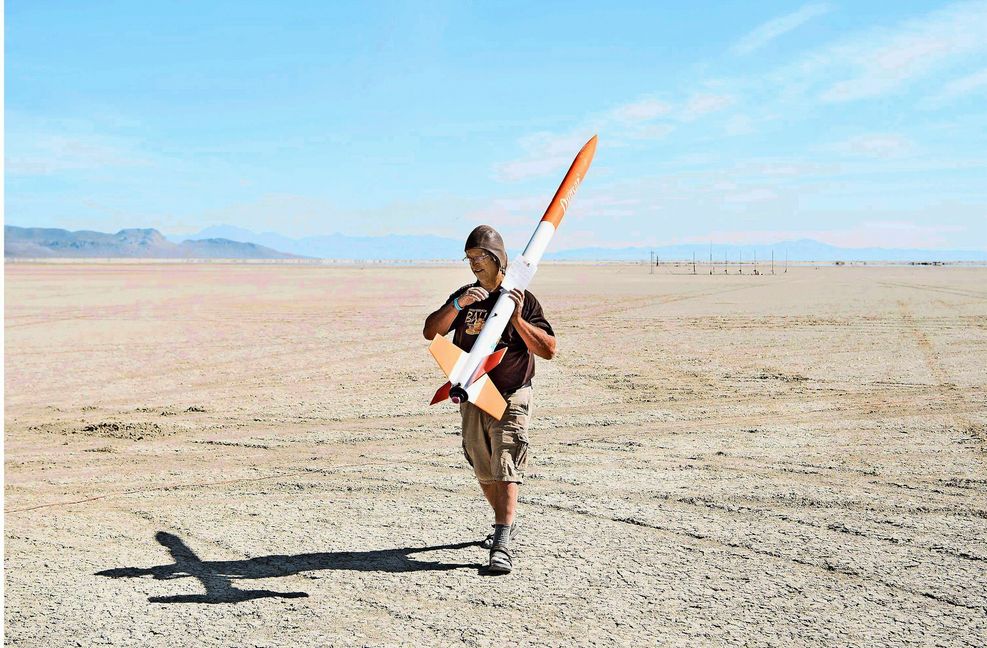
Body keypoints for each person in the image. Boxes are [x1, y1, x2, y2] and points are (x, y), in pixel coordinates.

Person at [422, 225, 556, 574]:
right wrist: (457, 304)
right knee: (482, 464)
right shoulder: (468, 295)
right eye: (469, 259)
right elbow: (430, 331)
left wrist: (517, 320)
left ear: (498, 259)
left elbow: (549, 349)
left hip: (511, 392)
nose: (474, 265)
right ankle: (503, 524)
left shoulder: (520, 297)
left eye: (480, 257)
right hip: (473, 392)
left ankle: (501, 542)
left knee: (507, 459)